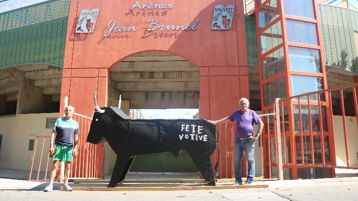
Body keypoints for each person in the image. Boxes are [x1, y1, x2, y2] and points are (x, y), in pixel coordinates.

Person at [207, 97, 264, 185]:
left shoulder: (252, 113)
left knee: (250, 159)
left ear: (248, 105)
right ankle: (238, 180)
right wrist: (215, 122)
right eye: (241, 103)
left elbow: (261, 123)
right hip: (238, 141)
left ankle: (250, 179)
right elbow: (227, 118)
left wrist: (257, 136)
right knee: (237, 160)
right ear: (239, 105)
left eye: (244, 103)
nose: (243, 105)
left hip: (249, 140)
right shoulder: (236, 113)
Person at [44, 105, 79, 192]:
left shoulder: (75, 123)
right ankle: (50, 185)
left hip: (69, 147)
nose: (68, 111)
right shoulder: (59, 121)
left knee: (68, 167)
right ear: (65, 111)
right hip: (58, 146)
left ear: (73, 112)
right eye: (66, 110)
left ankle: (66, 184)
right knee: (55, 166)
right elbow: (53, 134)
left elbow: (76, 138)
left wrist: (75, 148)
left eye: (70, 110)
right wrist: (51, 145)